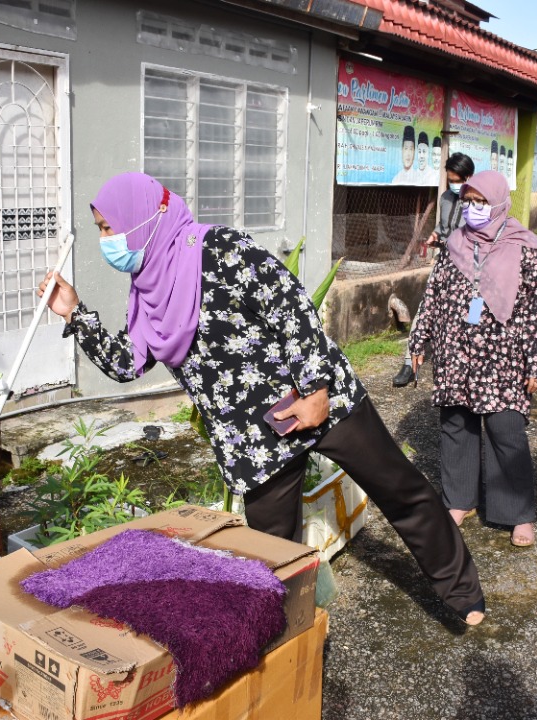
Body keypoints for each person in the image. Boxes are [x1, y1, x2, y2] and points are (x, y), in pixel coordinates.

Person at [38, 172, 486, 624]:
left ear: (146, 216)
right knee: (274, 553)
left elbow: (292, 309)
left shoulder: (219, 249)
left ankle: (461, 591)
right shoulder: (146, 290)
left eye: (108, 227)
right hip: (255, 437)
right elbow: (126, 363)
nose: (106, 240)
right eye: (100, 229)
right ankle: (293, 641)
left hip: (319, 402)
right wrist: (75, 312)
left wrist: (315, 392)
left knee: (399, 488)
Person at [407, 170, 537, 547]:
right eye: (467, 201)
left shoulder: (526, 246)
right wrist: (419, 340)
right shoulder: (455, 242)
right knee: (456, 425)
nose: (472, 208)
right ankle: (459, 501)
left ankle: (518, 513)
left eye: (480, 202)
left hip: (504, 356)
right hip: (455, 351)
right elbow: (433, 295)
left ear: (499, 202)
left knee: (506, 430)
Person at [393, 152, 475, 387]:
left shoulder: (479, 201)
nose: (454, 184)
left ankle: (472, 361)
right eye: (450, 179)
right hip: (445, 264)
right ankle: (410, 362)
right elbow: (443, 226)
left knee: (473, 316)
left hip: (471, 271)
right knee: (424, 311)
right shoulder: (446, 197)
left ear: (469, 177)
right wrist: (436, 235)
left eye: (458, 180)